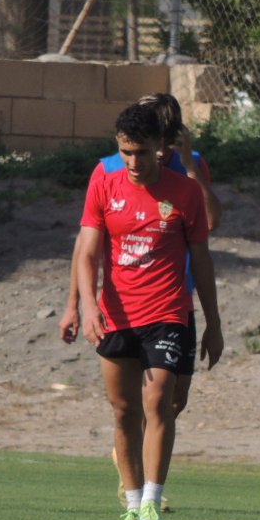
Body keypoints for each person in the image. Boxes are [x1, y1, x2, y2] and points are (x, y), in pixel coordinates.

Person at [63, 102, 223, 520]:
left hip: (168, 312)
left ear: (160, 147)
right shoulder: (105, 183)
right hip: (116, 317)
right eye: (126, 152)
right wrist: (87, 305)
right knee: (123, 411)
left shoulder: (185, 192)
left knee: (158, 403)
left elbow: (203, 261)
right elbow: (89, 251)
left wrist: (214, 322)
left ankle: (152, 502)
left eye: (142, 152)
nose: (134, 162)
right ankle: (131, 506)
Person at [60, 93, 222, 419]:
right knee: (134, 405)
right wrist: (74, 306)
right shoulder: (111, 170)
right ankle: (133, 456)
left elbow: (210, 223)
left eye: (165, 139)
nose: (157, 153)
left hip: (177, 301)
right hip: (126, 304)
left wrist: (190, 165)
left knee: (173, 402)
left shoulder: (188, 166)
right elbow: (86, 247)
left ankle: (144, 454)